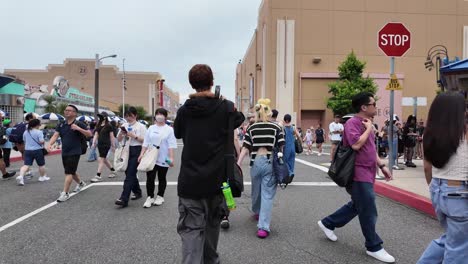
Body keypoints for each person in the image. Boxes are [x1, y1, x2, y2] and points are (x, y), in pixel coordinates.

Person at [174, 64, 244, 263]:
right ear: (212, 82)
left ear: (192, 84)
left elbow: (178, 132)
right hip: (218, 182)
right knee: (212, 228)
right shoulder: (226, 108)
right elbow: (239, 118)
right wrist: (220, 99)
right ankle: (211, 260)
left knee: (191, 232)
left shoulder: (184, 110)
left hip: (190, 182)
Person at [318, 92, 395, 263]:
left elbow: (370, 149)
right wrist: (368, 129)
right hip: (357, 172)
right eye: (373, 104)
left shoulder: (367, 123)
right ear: (364, 107)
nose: (376, 107)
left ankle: (328, 223)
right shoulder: (353, 123)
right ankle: (374, 246)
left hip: (368, 171)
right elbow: (356, 144)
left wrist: (381, 166)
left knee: (357, 205)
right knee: (368, 208)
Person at [417, 92, 468, 264]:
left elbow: (426, 167)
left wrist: (434, 188)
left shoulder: (429, 133)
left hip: (438, 189)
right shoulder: (464, 132)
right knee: (459, 248)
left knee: (451, 239)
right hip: (460, 193)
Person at [237, 98, 284, 238]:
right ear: (269, 113)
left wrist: (238, 163)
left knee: (256, 190)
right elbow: (281, 146)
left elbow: (245, 148)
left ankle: (257, 211)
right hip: (269, 161)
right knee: (267, 194)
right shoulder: (276, 128)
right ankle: (263, 227)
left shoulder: (251, 128)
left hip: (255, 161)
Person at [48, 104, 92, 202]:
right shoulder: (61, 124)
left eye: (69, 110)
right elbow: (55, 135)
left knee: (68, 172)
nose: (67, 111)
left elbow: (89, 134)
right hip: (65, 151)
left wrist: (78, 129)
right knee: (71, 171)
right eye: (66, 110)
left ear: (75, 113)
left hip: (75, 151)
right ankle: (81, 183)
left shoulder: (79, 123)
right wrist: (49, 144)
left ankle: (65, 193)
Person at [139, 108, 176, 208]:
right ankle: (150, 197)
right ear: (155, 116)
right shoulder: (151, 128)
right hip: (151, 157)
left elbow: (171, 145)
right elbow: (146, 142)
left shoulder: (169, 129)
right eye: (158, 114)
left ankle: (160, 196)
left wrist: (171, 158)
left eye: (162, 114)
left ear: (165, 117)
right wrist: (141, 154)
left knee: (162, 177)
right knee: (150, 178)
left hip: (164, 158)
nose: (159, 116)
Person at [115, 106, 147, 208]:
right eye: (127, 116)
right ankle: (137, 192)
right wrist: (122, 133)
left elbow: (145, 141)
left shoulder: (141, 126)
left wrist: (134, 136)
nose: (129, 118)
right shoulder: (124, 124)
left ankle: (124, 199)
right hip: (126, 150)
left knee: (130, 174)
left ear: (136, 116)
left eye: (131, 116)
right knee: (129, 172)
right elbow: (119, 139)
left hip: (137, 150)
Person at [15, 119, 48, 186]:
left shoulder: (26, 132)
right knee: (41, 164)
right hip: (37, 150)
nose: (40, 125)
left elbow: (24, 140)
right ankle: (42, 177)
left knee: (26, 165)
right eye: (39, 124)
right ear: (37, 125)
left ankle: (21, 176)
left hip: (27, 150)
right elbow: (41, 141)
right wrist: (43, 142)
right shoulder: (39, 132)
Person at [90, 112, 116, 182]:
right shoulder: (98, 125)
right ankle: (113, 170)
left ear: (105, 117)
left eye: (101, 116)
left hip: (106, 144)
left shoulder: (109, 126)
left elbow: (111, 136)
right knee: (104, 159)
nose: (100, 118)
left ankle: (98, 175)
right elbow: (96, 134)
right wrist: (93, 143)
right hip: (100, 144)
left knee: (101, 159)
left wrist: (113, 145)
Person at [283, 114, 301, 178]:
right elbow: (299, 136)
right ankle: (291, 172)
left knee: (284, 161)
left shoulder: (283, 128)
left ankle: (290, 173)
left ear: (285, 120)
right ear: (290, 120)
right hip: (292, 147)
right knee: (291, 161)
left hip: (285, 147)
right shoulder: (293, 127)